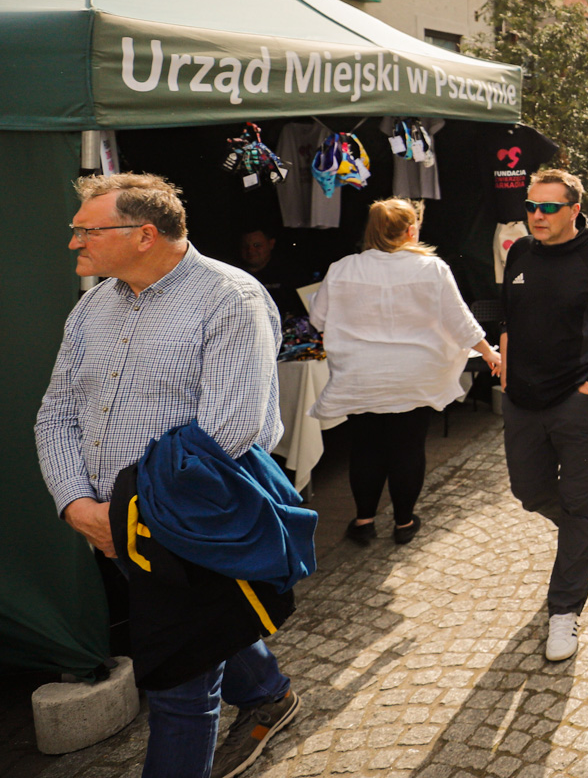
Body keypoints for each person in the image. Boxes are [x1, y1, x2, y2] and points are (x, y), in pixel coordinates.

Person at [36, 173, 304, 778]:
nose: (74, 243)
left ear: (144, 235)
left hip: (192, 525)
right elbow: (55, 414)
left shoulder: (229, 298)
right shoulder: (90, 307)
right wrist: (76, 502)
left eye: (86, 230)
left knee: (178, 687)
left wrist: (129, 514)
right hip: (110, 527)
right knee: (208, 631)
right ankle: (268, 693)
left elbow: (229, 433)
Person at [499, 169, 588, 662]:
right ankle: (584, 531)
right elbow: (508, 317)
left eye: (548, 207)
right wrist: (505, 369)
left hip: (579, 404)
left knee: (580, 504)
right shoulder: (518, 252)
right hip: (521, 401)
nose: (536, 215)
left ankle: (564, 610)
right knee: (528, 491)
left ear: (574, 210)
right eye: (532, 206)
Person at [311, 199, 502, 545]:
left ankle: (364, 521)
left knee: (366, 448)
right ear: (411, 231)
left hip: (361, 376)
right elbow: (460, 322)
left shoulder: (342, 269)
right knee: (408, 448)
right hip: (414, 376)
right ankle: (403, 523)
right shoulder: (432, 269)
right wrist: (489, 353)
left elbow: (318, 319)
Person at [237, 226, 308, 321]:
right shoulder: (234, 276)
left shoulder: (289, 273)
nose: (250, 251)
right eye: (245, 246)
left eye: (257, 245)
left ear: (271, 244)